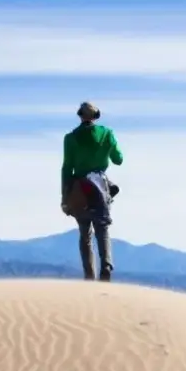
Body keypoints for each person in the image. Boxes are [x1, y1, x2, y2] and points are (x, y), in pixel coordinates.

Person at [61, 101, 123, 281]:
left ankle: (89, 275)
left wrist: (65, 195)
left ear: (80, 115)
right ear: (96, 117)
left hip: (79, 188)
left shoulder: (71, 138)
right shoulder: (107, 133)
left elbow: (67, 168)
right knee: (102, 228)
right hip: (100, 186)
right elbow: (118, 159)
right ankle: (106, 266)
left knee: (85, 233)